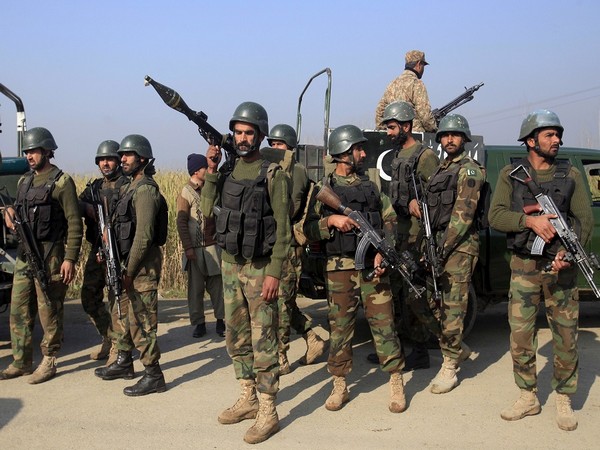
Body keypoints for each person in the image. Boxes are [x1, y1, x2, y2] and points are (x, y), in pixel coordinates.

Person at [488, 110, 593, 431]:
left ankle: (563, 397)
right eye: (549, 135)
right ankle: (528, 395)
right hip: (524, 266)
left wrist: (566, 253)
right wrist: (528, 220)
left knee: (565, 334)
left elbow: (583, 221)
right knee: (521, 334)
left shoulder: (571, 175)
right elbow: (496, 216)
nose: (557, 140)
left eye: (558, 134)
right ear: (531, 140)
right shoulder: (511, 174)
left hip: (561, 268)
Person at [201, 102, 291, 444]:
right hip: (229, 265)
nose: (242, 138)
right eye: (237, 132)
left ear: (260, 135)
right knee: (235, 336)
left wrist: (274, 273)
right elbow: (208, 210)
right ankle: (248, 396)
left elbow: (283, 230)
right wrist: (211, 169)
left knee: (263, 337)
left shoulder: (273, 174)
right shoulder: (225, 172)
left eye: (248, 132)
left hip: (259, 267)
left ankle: (269, 410)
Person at [303, 124, 407, 414]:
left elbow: (389, 220)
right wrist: (330, 223)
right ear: (344, 153)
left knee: (384, 324)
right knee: (340, 329)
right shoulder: (325, 190)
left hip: (373, 268)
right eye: (359, 149)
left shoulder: (370, 186)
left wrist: (383, 252)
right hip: (339, 268)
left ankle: (395, 380)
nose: (363, 153)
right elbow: (307, 230)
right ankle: (339, 384)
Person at [0, 127, 82, 383]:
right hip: (26, 253)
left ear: (47, 151)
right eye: (27, 151)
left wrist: (70, 258)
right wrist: (9, 210)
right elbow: (18, 206)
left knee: (50, 308)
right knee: (19, 309)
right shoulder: (25, 181)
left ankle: (49, 359)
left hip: (51, 254)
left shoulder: (61, 181)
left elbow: (74, 222)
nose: (29, 155)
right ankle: (21, 361)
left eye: (34, 151)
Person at [376, 101, 442, 370]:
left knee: (414, 295)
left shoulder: (425, 157)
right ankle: (395, 349)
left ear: (406, 126)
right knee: (396, 294)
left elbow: (438, 198)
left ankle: (420, 351)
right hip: (398, 235)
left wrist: (420, 202)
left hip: (416, 238)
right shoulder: (397, 157)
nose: (389, 133)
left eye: (392, 128)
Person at [424, 114, 484, 394]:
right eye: (445, 135)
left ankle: (449, 367)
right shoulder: (439, 170)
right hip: (438, 245)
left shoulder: (470, 171)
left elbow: (463, 215)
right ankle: (456, 347)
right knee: (426, 300)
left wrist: (443, 248)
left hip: (458, 248)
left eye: (455, 135)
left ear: (464, 139)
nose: (449, 139)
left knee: (453, 307)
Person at [265, 124, 327, 375]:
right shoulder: (273, 168)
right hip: (272, 245)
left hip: (289, 246)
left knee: (281, 304)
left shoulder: (296, 171)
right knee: (283, 302)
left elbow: (288, 208)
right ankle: (312, 338)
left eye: (278, 144)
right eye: (271, 144)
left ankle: (280, 356)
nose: (273, 149)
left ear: (289, 146)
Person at [110, 134, 166, 396]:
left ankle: (154, 375)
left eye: (128, 155)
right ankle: (131, 365)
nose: (122, 159)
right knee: (130, 320)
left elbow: (143, 237)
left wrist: (129, 271)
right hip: (130, 266)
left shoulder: (145, 190)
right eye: (122, 155)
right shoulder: (129, 187)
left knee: (143, 322)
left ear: (142, 158)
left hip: (142, 269)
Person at [78, 140, 129, 361]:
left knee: (116, 298)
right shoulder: (94, 188)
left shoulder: (126, 185)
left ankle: (120, 347)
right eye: (102, 159)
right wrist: (88, 208)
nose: (105, 163)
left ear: (118, 160)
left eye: (110, 159)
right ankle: (108, 337)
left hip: (118, 249)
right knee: (88, 297)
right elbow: (75, 204)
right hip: (98, 248)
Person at [176, 153, 225, 339]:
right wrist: (188, 247)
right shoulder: (186, 192)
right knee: (195, 290)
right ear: (197, 171)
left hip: (213, 246)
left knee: (217, 287)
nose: (208, 170)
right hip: (195, 249)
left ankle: (221, 321)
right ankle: (199, 323)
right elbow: (181, 222)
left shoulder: (210, 188)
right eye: (205, 167)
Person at [375, 50, 437, 133]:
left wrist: (385, 131)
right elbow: (425, 116)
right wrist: (435, 130)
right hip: (414, 137)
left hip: (394, 138)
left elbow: (380, 111)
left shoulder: (392, 84)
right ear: (418, 64)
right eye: (423, 65)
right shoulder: (417, 84)